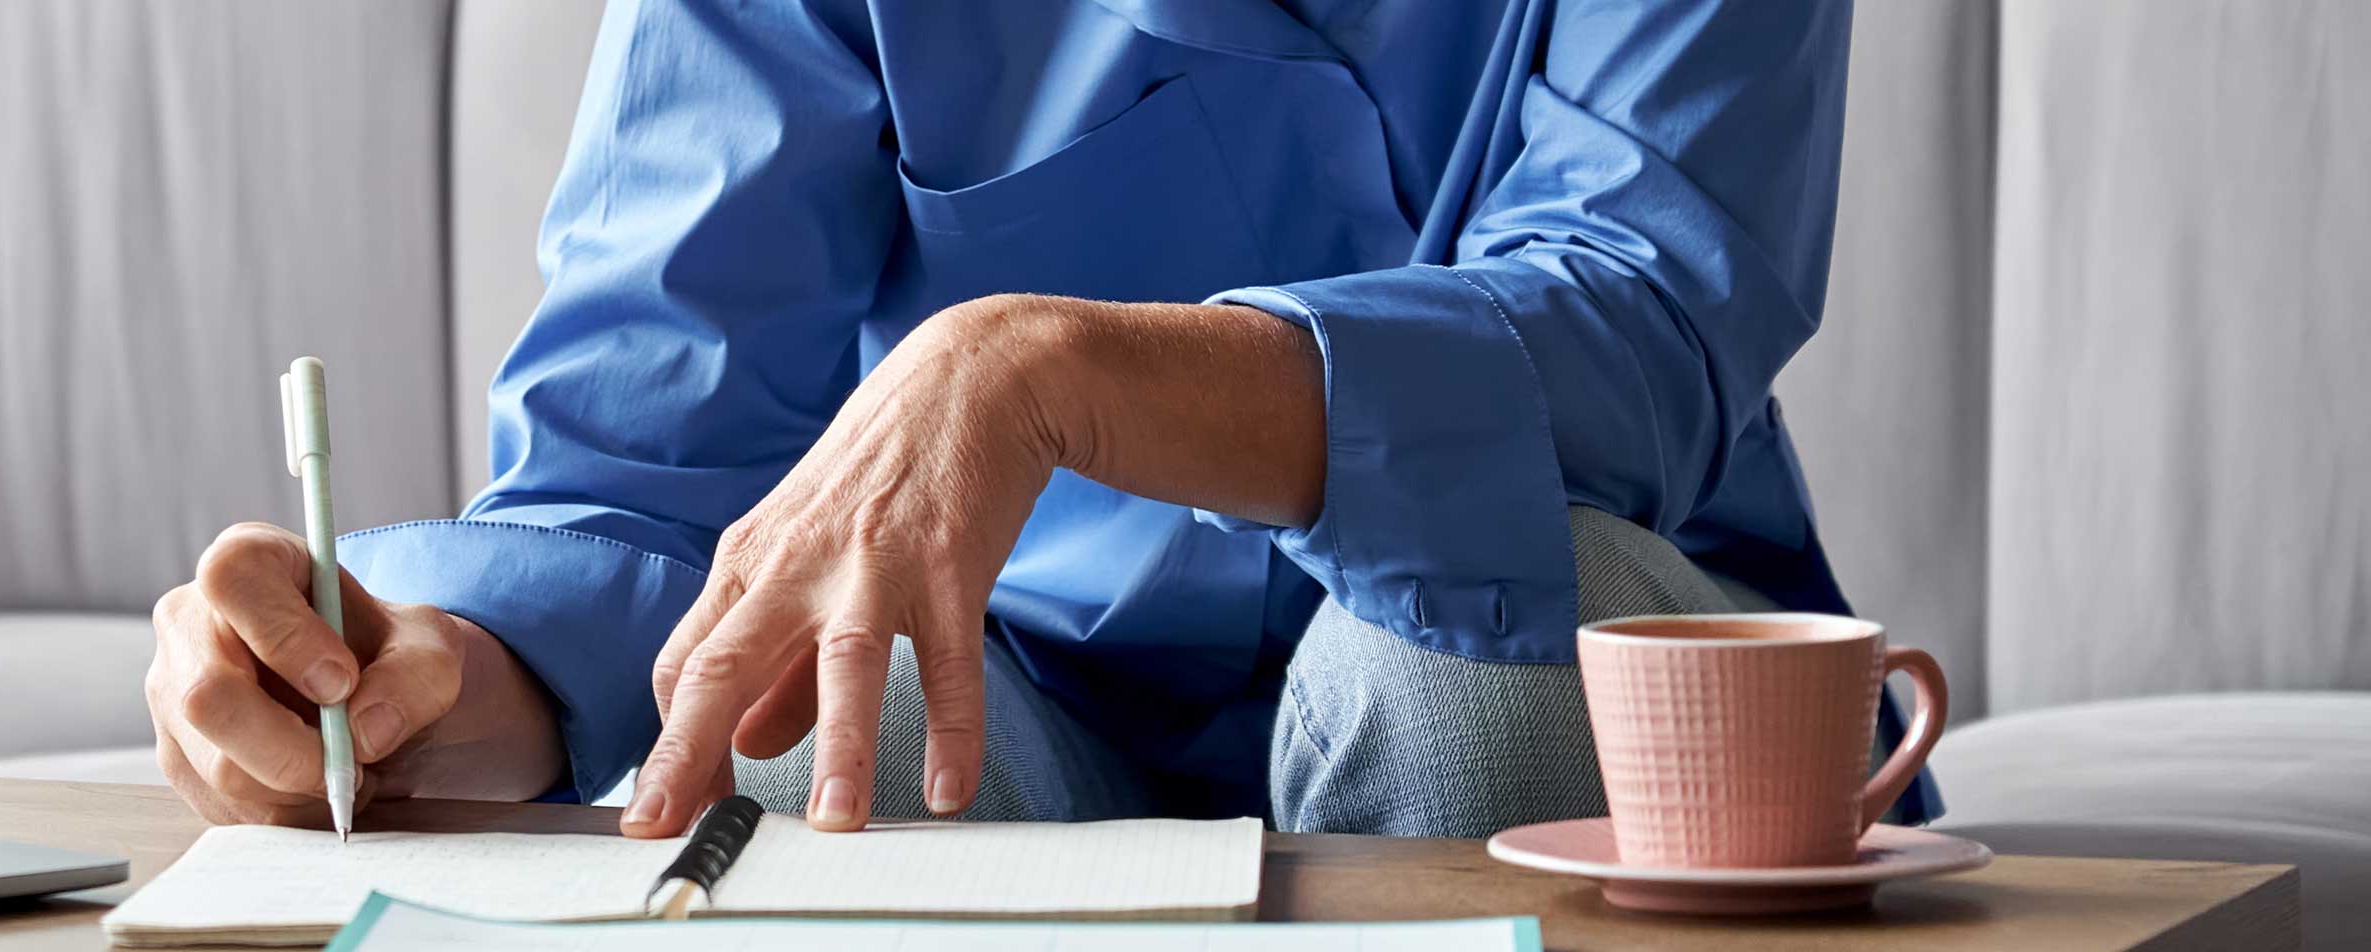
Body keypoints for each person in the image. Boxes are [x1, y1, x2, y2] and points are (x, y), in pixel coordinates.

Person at [143, 0, 1938, 840]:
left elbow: (1644, 318)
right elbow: (638, 475)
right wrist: (425, 682)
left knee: (1468, 664)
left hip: (1538, 646)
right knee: (804, 719)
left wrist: (1059, 370)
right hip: (1026, 694)